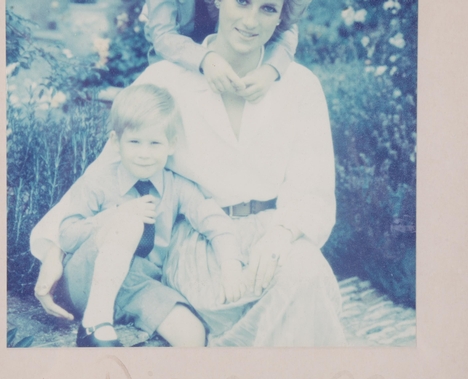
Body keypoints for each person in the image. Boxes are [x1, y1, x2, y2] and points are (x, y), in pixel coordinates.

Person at [31, 0, 347, 347]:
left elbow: (313, 191)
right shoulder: (167, 80)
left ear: (282, 19)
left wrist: (281, 236)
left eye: (268, 8)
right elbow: (107, 169)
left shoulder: (300, 86)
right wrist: (54, 252)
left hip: (274, 235)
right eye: (242, 2)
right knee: (233, 309)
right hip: (200, 243)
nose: (251, 20)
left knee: (309, 277)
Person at [56, 84, 244, 347]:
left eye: (155, 143)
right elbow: (66, 236)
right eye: (134, 142)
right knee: (131, 220)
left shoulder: (177, 187)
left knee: (192, 334)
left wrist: (230, 264)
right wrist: (113, 216)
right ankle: (94, 324)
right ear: (115, 142)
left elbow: (215, 222)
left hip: (137, 284)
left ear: (171, 145)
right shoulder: (98, 180)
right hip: (86, 278)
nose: (144, 154)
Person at [143, 0, 304, 103]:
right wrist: (206, 59)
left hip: (238, 58)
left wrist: (270, 70)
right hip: (178, 61)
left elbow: (286, 27)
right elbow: (162, 34)